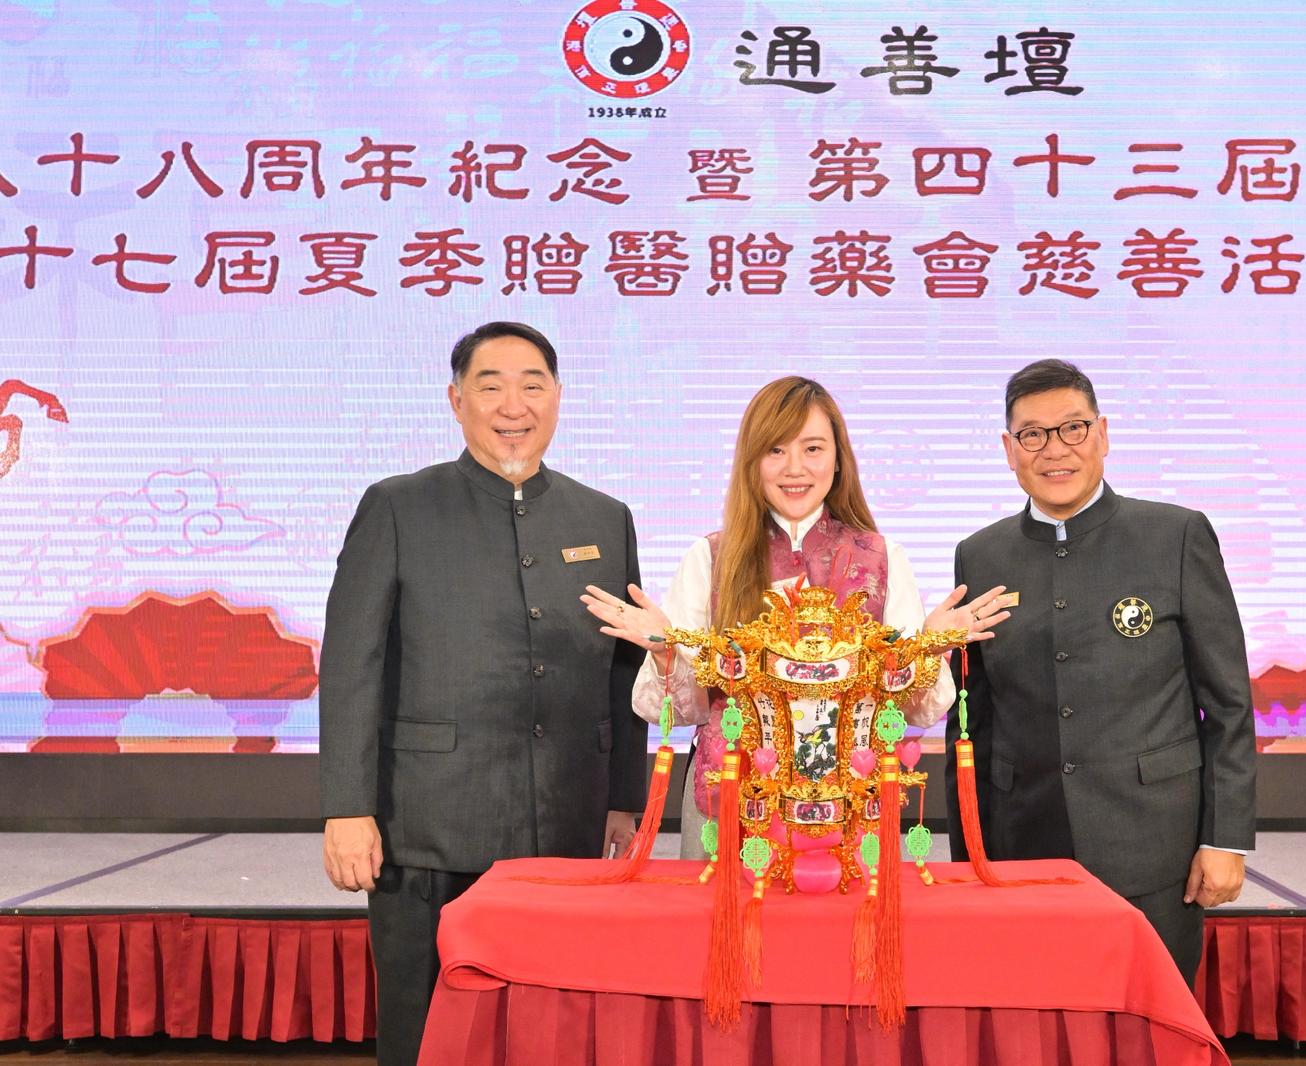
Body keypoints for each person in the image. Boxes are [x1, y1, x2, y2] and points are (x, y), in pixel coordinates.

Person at [318, 322, 646, 1066]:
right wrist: (347, 807)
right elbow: (351, 665)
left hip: (566, 824)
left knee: (554, 1032)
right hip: (427, 825)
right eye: (490, 386)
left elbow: (624, 669)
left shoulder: (604, 517)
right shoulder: (397, 507)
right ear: (456, 400)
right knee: (423, 1032)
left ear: (557, 397)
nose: (513, 405)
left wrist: (624, 797)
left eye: (532, 385)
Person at [583, 376, 1011, 857]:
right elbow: (683, 711)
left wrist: (927, 648)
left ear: (838, 458)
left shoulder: (882, 559)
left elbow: (916, 711)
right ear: (752, 460)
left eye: (812, 449)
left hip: (853, 807)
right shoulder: (711, 559)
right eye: (776, 450)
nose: (795, 468)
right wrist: (665, 651)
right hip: (729, 803)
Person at [946, 358, 1255, 984]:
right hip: (1021, 847)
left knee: (1149, 1021)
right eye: (1032, 434)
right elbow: (970, 721)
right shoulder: (979, 554)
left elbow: (1227, 702)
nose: (1054, 449)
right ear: (1009, 449)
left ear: (1103, 434)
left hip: (1155, 849)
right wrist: (968, 853)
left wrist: (1225, 839)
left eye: (1073, 428)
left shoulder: (1175, 536)